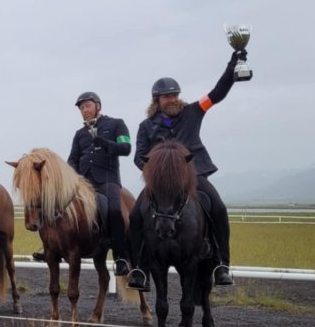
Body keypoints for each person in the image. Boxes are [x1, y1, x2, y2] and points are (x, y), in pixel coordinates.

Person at [127, 48, 244, 290]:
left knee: (219, 208)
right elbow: (139, 157)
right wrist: (155, 173)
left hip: (195, 175)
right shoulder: (146, 126)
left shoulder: (194, 111)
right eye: (167, 96)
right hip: (161, 184)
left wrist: (233, 66)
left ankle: (222, 264)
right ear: (157, 100)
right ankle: (139, 269)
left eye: (175, 95)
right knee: (136, 215)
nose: (173, 99)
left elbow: (217, 93)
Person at [66, 91, 132, 276]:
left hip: (107, 179)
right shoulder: (79, 134)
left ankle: (120, 257)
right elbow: (72, 159)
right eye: (81, 108)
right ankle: (53, 246)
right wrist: (75, 176)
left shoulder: (116, 124)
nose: (84, 110)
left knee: (115, 210)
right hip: (83, 182)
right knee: (60, 206)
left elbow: (126, 148)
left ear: (98, 106)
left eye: (87, 106)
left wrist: (106, 144)